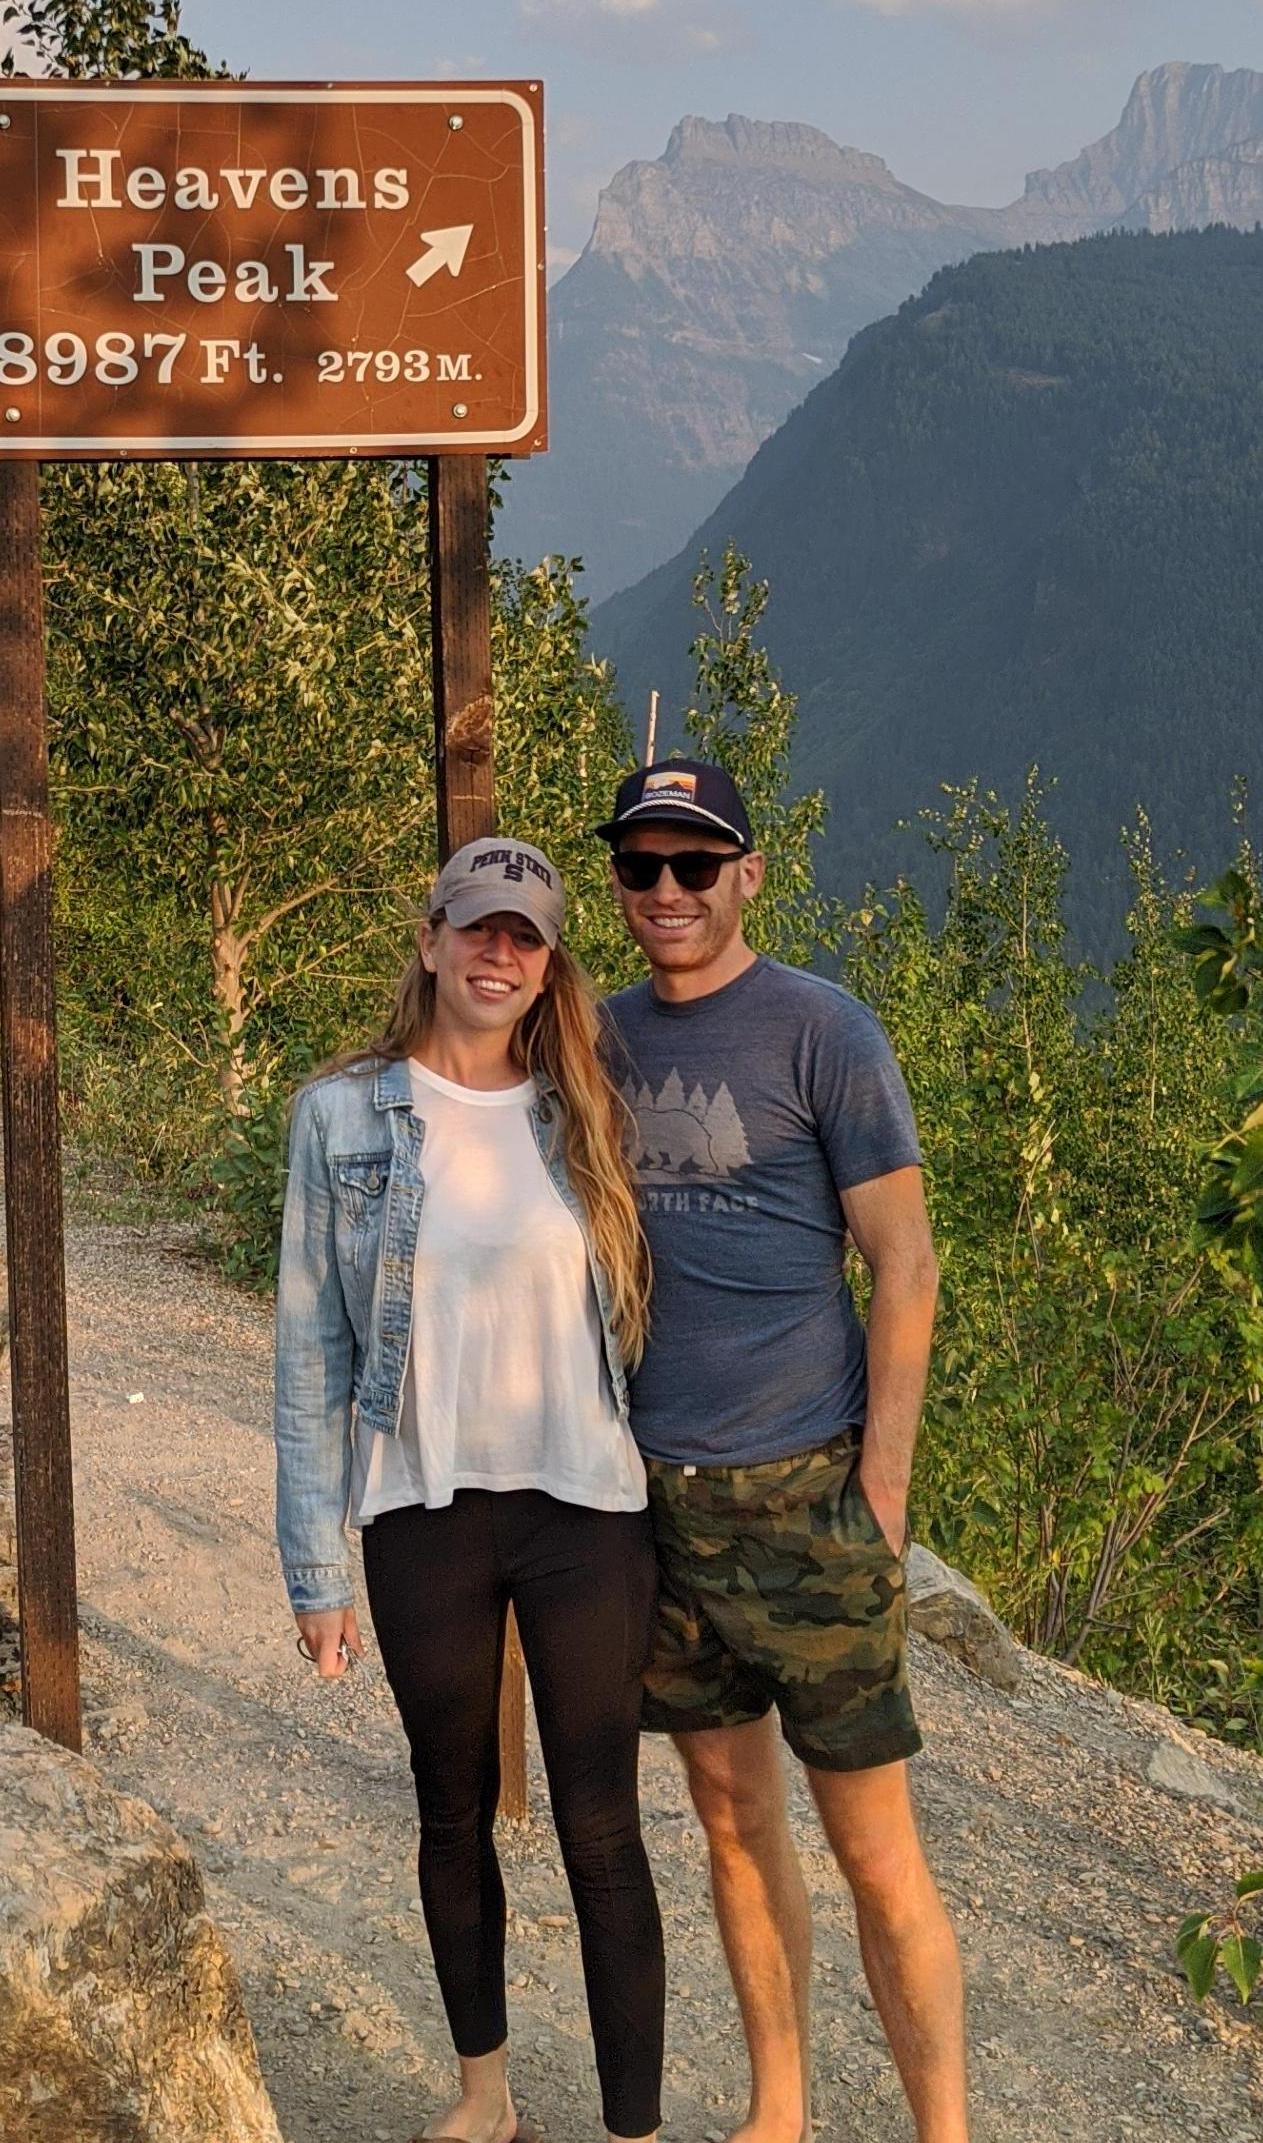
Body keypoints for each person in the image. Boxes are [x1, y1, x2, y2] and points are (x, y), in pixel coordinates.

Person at [595, 759, 964, 2143]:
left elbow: (908, 1264)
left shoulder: (824, 1030)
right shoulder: (600, 1038)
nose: (671, 891)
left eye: (699, 863)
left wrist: (882, 1487)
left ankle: (946, 2132)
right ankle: (780, 2112)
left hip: (808, 1492)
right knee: (734, 1829)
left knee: (875, 1850)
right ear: (621, 885)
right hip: (658, 1503)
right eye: (644, 867)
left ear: (751, 872)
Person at [274, 835, 664, 2143]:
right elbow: (309, 1353)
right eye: (478, 928)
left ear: (549, 967)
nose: (500, 953)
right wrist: (314, 1568)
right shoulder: (341, 1115)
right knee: (450, 1812)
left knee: (601, 1823)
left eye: (527, 937)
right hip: (420, 1511)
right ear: (432, 940)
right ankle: (486, 2097)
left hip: (584, 1511)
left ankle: (631, 2129)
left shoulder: (586, 1109)